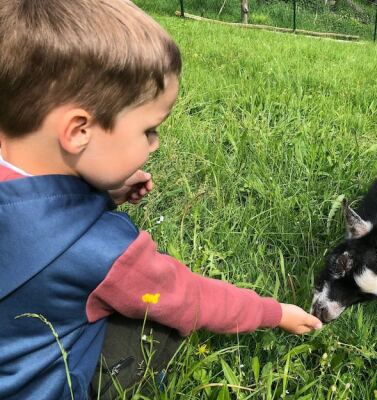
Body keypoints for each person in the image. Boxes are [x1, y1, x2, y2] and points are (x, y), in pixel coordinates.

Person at [0, 1, 322, 399]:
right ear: (79, 130)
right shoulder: (104, 252)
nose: (155, 144)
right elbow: (190, 297)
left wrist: (100, 195)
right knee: (154, 324)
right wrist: (276, 313)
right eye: (149, 130)